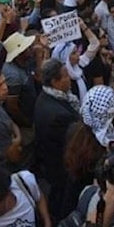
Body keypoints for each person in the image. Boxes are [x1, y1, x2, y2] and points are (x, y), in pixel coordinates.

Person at [33, 58, 81, 214]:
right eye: (66, 76)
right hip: (61, 169)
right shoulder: (58, 115)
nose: (69, 79)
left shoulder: (47, 97)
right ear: (55, 81)